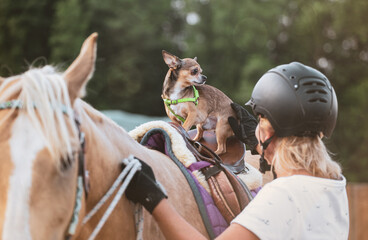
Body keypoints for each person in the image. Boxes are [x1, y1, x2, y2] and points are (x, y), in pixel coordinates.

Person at [125, 62, 349, 240]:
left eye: (260, 118)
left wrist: (154, 199)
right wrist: (257, 141)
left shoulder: (282, 194)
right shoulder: (335, 188)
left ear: (270, 127)